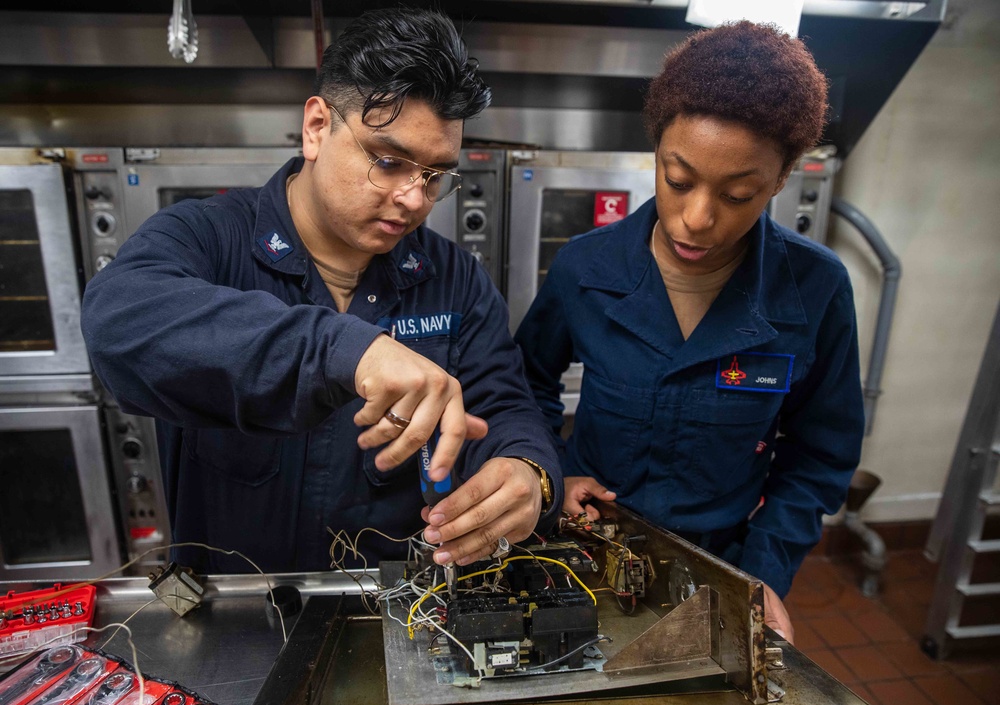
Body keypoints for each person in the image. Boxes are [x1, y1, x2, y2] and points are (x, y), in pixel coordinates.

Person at [81, 8, 561, 574]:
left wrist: (529, 470)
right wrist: (342, 348)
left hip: (390, 612)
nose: (413, 198)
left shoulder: (454, 280)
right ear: (316, 128)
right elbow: (117, 323)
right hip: (236, 616)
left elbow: (502, 406)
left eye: (435, 176)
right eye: (387, 161)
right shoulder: (209, 238)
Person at [514, 21, 864, 643]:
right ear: (656, 152)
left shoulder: (815, 289)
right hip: (585, 550)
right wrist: (553, 473)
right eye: (679, 181)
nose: (698, 219)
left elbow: (820, 454)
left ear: (781, 180)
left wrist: (763, 574)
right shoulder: (586, 268)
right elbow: (525, 385)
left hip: (720, 566)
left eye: (737, 194)